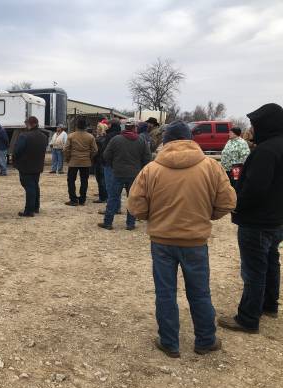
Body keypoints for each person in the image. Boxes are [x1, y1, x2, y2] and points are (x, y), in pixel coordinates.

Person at [128, 120, 236, 357]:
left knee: (165, 292)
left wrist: (153, 218)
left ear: (165, 142)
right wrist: (206, 216)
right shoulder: (211, 166)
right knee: (200, 292)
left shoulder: (151, 169)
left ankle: (169, 342)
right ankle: (205, 340)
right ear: (191, 140)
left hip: (162, 241)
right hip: (196, 241)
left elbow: (135, 206)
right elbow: (227, 202)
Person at [218, 103, 283, 334]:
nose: (252, 129)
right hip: (276, 219)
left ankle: (247, 318)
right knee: (270, 263)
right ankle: (269, 305)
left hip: (257, 222)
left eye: (255, 124)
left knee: (254, 270)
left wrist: (236, 206)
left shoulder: (265, 151)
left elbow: (255, 189)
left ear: (266, 125)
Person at [99, 120, 150, 230]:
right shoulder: (141, 140)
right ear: (134, 128)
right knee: (132, 198)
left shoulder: (116, 139)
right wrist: (140, 168)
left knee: (113, 197)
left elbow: (106, 155)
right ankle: (130, 224)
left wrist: (113, 165)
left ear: (125, 128)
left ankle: (108, 222)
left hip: (118, 173)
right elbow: (147, 158)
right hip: (134, 174)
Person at [13, 116, 48, 217]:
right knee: (35, 186)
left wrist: (15, 159)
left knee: (29, 187)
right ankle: (36, 207)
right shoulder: (43, 136)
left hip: (25, 166)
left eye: (26, 123)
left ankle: (29, 210)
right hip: (37, 165)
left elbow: (17, 151)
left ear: (29, 124)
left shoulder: (24, 136)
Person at [63, 117, 97, 206]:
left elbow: (66, 149)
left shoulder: (71, 136)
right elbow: (95, 150)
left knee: (71, 180)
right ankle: (82, 199)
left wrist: (68, 158)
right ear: (85, 126)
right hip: (86, 162)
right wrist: (90, 157)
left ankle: (73, 199)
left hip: (73, 161)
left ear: (77, 126)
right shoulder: (90, 136)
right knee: (84, 180)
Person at [98, 118, 123, 214]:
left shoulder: (110, 136)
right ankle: (117, 207)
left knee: (110, 187)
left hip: (109, 165)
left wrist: (104, 161)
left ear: (111, 125)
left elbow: (106, 152)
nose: (107, 126)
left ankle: (111, 208)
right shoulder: (121, 135)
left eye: (108, 124)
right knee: (117, 187)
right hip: (119, 164)